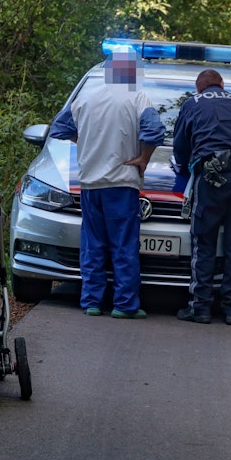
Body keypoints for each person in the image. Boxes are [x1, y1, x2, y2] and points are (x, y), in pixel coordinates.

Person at [49, 45, 164, 318]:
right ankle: (124, 305)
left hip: (90, 184)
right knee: (123, 245)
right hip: (122, 183)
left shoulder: (85, 100)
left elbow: (58, 128)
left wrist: (86, 143)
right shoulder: (138, 98)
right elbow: (154, 131)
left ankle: (91, 301)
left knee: (93, 244)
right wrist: (143, 159)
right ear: (133, 71)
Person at [172, 68, 231, 325]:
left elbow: (181, 147)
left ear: (198, 87)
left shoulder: (193, 103)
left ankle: (200, 307)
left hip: (213, 176)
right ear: (222, 85)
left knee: (204, 241)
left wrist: (182, 169)